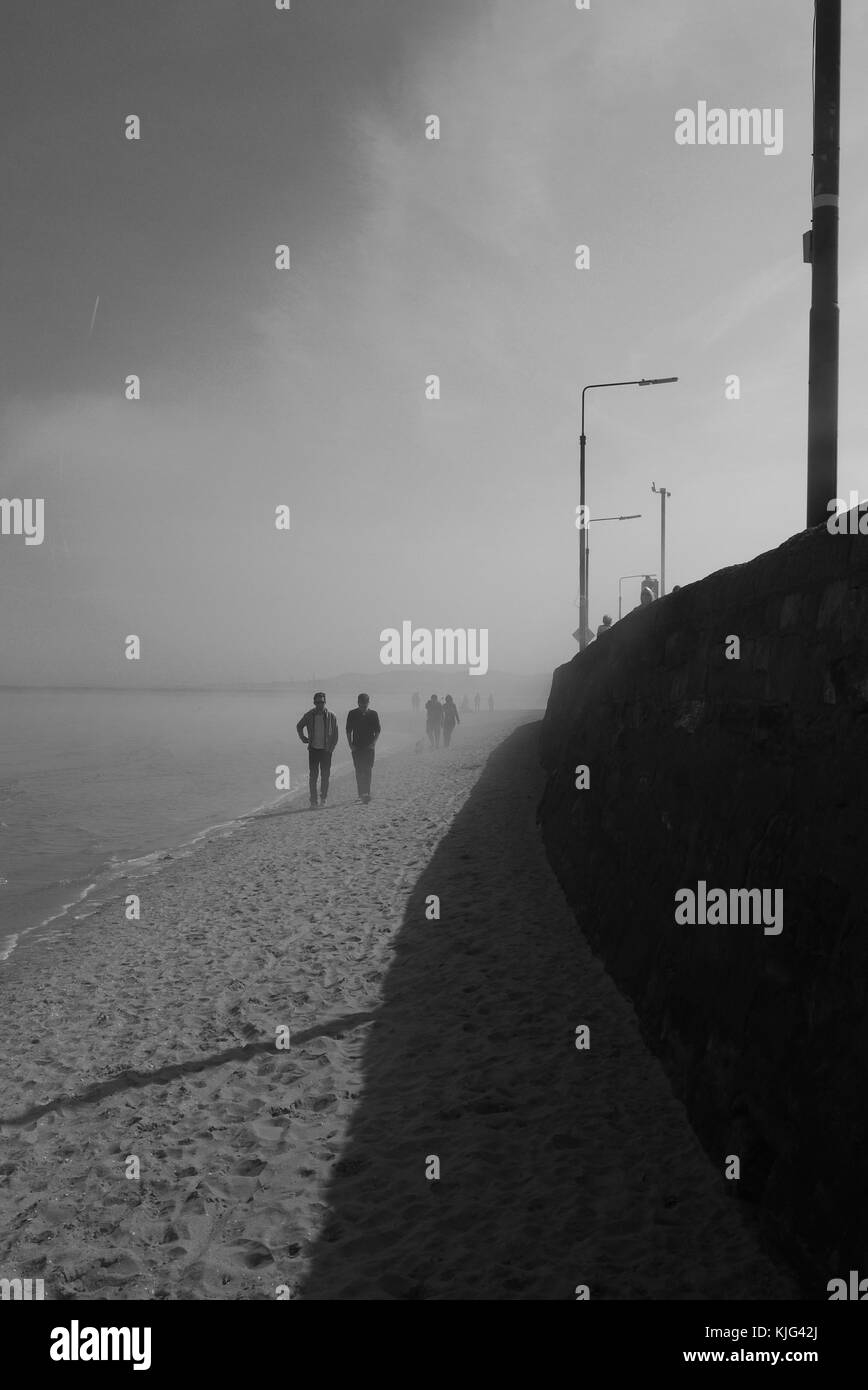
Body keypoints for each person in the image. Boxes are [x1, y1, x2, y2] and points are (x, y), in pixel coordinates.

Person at [296, 692, 339, 808]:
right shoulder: (309, 715)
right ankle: (313, 801)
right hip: (313, 750)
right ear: (314, 703)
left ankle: (323, 799)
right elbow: (299, 726)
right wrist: (303, 737)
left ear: (325, 702)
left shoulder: (331, 716)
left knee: (325, 776)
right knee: (313, 777)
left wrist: (331, 749)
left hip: (326, 751)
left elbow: (335, 734)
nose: (320, 704)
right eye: (318, 702)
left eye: (322, 702)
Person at [346, 693, 381, 803]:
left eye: (365, 704)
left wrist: (374, 743)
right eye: (361, 704)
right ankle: (361, 793)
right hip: (357, 747)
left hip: (369, 747)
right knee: (359, 770)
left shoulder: (373, 714)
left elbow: (378, 730)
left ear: (368, 703)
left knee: (368, 770)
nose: (363, 706)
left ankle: (367, 793)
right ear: (358, 703)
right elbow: (348, 731)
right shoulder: (352, 713)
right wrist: (350, 745)